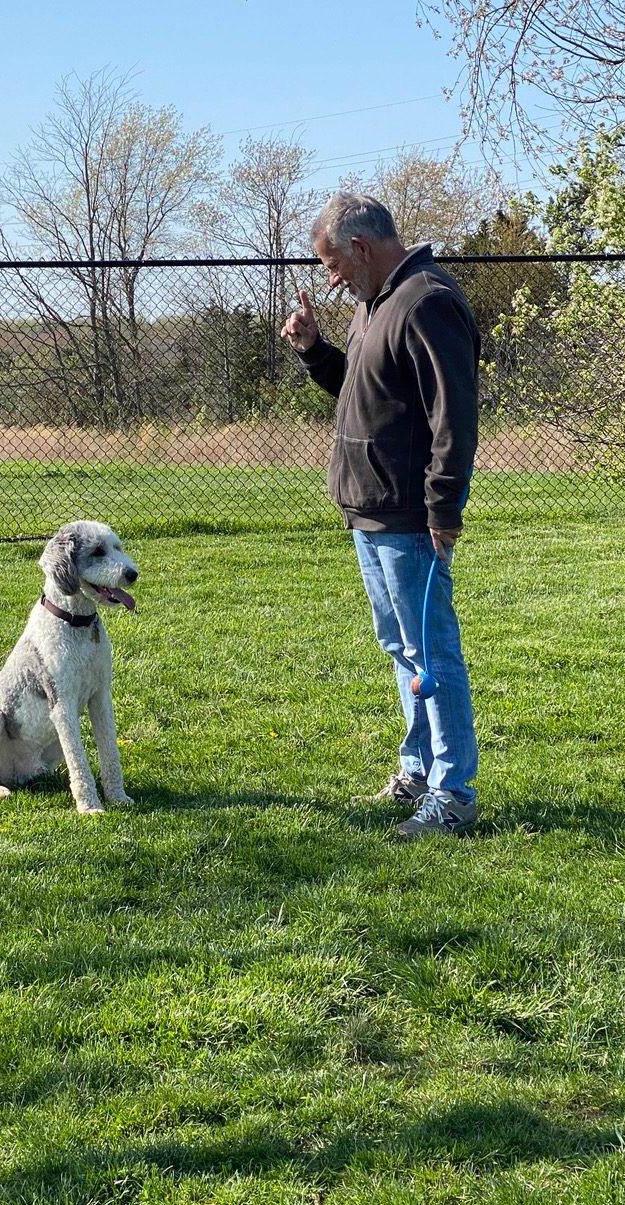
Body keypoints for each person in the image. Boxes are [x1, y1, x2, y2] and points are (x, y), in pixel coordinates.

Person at [281, 192, 480, 837]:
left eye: (332, 263)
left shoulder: (426, 302)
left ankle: (453, 794)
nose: (329, 277)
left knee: (432, 654)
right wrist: (316, 349)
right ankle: (418, 768)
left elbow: (454, 414)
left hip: (407, 514)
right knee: (402, 648)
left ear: (361, 248)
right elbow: (366, 394)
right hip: (370, 511)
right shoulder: (377, 305)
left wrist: (444, 503)